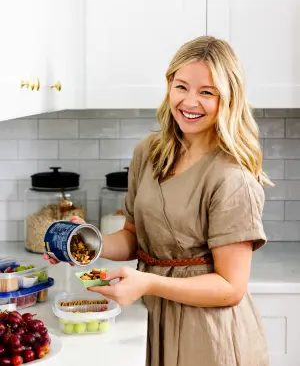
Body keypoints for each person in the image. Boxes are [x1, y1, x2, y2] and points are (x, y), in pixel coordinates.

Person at [45, 35, 272, 366]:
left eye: (206, 92)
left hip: (210, 333)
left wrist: (148, 282)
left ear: (228, 99)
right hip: (152, 317)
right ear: (169, 85)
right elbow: (135, 237)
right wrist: (87, 243)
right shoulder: (149, 153)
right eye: (182, 86)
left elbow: (230, 287)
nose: (189, 102)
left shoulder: (232, 176)